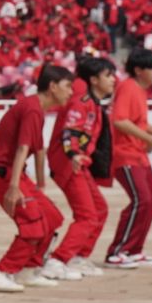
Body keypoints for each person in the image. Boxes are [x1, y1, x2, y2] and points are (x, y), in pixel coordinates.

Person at [0, 65, 74, 294]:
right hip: (2, 173)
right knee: (33, 224)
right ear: (52, 86)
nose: (71, 92)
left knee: (51, 217)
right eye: (67, 86)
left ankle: (29, 270)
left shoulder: (36, 108)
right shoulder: (32, 108)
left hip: (14, 172)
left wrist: (40, 186)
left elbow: (39, 150)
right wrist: (13, 187)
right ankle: (1, 272)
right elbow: (23, 148)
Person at [48, 56, 114, 277]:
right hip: (69, 164)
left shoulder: (91, 102)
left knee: (100, 210)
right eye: (109, 75)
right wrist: (75, 154)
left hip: (78, 164)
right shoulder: (82, 101)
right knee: (87, 215)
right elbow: (71, 131)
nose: (114, 80)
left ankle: (78, 256)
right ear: (94, 80)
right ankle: (58, 260)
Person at [105, 48, 152, 268]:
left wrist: (151, 129)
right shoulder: (128, 87)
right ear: (139, 70)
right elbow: (119, 120)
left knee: (151, 200)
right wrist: (147, 138)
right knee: (142, 200)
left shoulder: (139, 89)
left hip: (137, 154)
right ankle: (117, 251)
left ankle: (134, 249)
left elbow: (133, 120)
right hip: (125, 153)